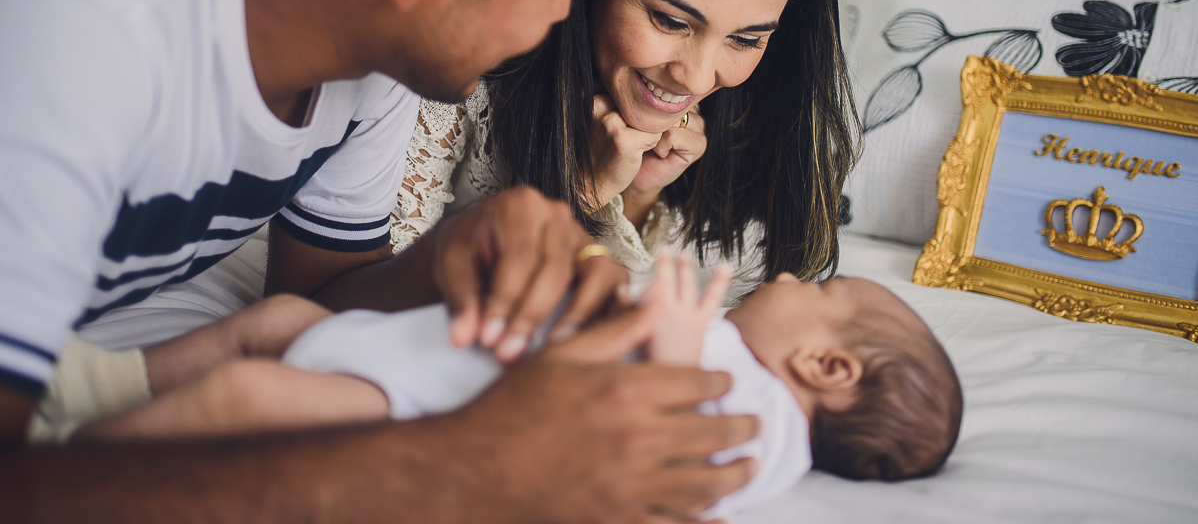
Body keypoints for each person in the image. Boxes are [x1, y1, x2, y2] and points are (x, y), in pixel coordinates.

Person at [0, 0, 760, 520]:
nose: (552, 23)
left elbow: (315, 303)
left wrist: (451, 254)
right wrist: (461, 466)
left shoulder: (368, 35)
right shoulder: (76, 10)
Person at [391, 0, 859, 325]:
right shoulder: (457, 71)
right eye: (670, 20)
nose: (698, 79)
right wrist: (583, 192)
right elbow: (374, 307)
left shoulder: (738, 121)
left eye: (745, 39)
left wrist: (635, 192)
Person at [76, 255, 963, 519]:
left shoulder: (771, 430)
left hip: (420, 407)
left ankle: (68, 463)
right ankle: (94, 385)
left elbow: (685, 452)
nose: (800, 282)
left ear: (829, 367)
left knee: (244, 399)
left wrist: (682, 346)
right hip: (418, 349)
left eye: (825, 292)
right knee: (271, 326)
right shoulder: (745, 359)